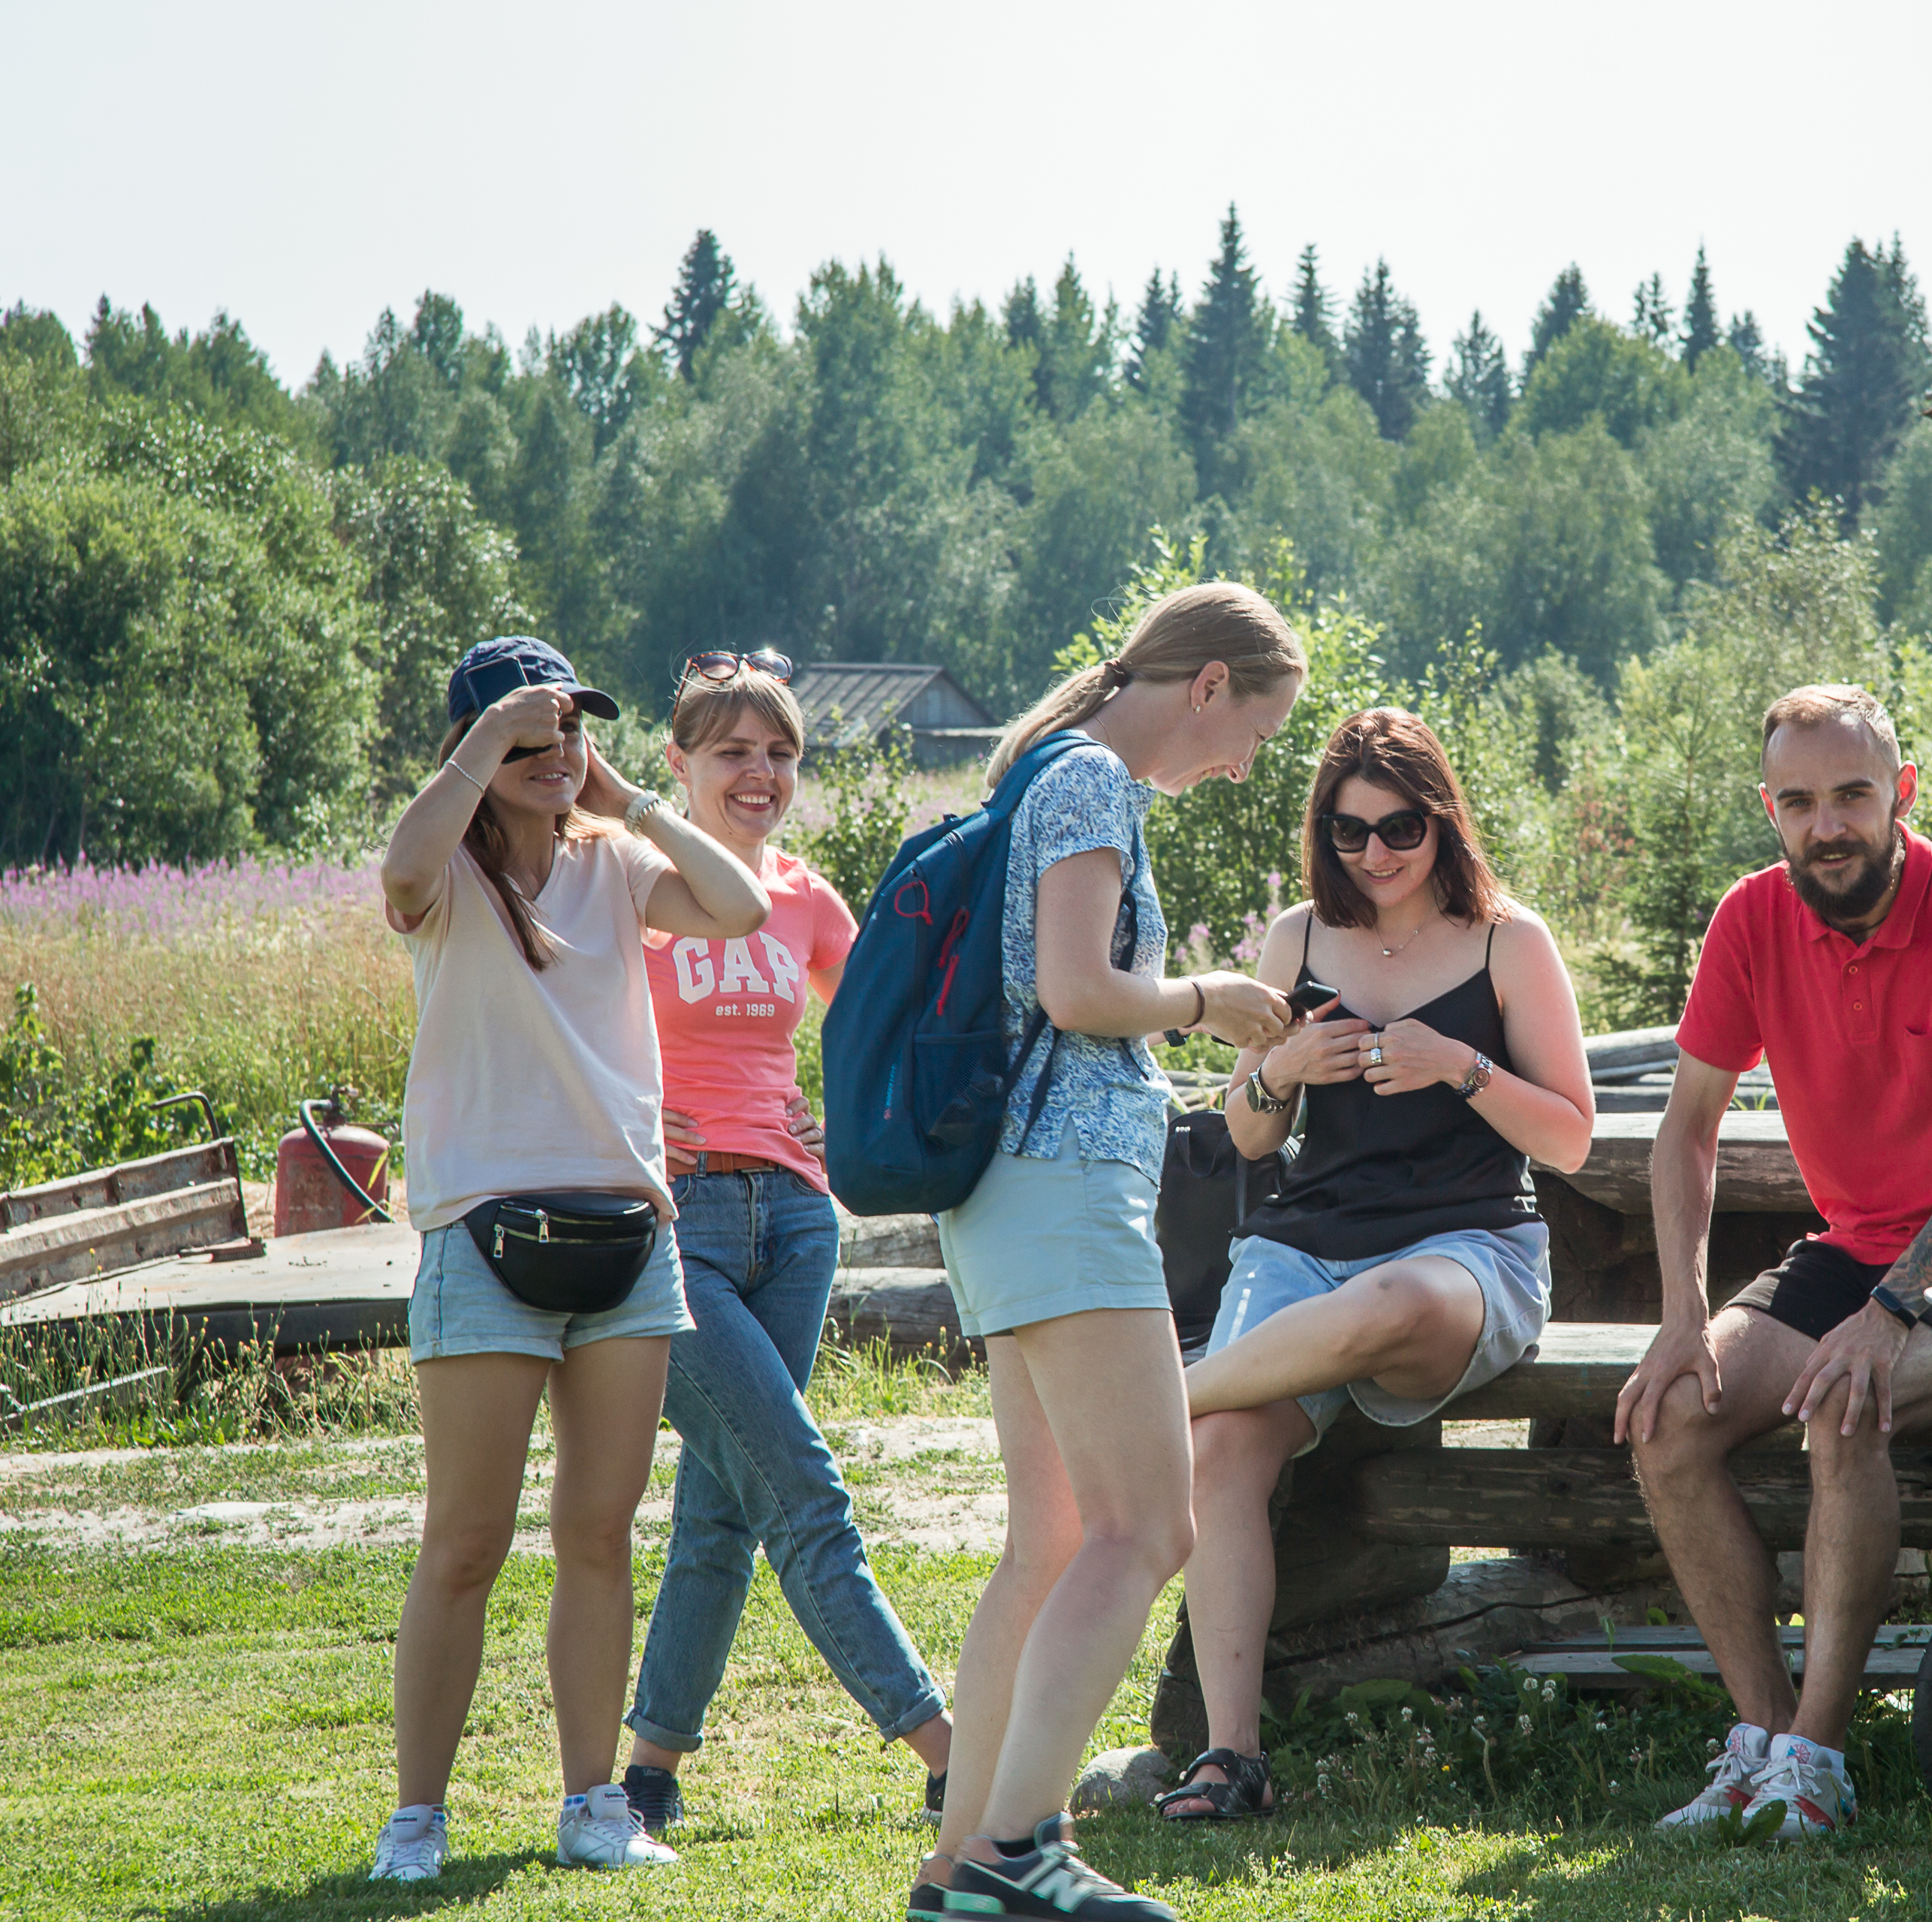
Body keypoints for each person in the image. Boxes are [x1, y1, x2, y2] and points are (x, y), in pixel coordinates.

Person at [1612, 683, 1932, 1841]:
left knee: (1845, 1396)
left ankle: (1822, 1762)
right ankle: (1765, 1740)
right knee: (1668, 1414)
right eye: (1798, 802)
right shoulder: (1749, 920)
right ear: (1769, 810)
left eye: (1851, 795)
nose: (1827, 824)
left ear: (1902, 795)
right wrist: (1682, 1313)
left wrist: (1891, 1313)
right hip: (1854, 1247)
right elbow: (1685, 1131)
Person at [907, 583, 1304, 1922]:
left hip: (1013, 1196)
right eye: (1255, 728)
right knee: (1151, 1524)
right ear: (1207, 686)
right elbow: (1078, 992)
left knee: (1053, 1541)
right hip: (1066, 1189)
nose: (1247, 761)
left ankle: (960, 1868)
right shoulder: (1092, 784)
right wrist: (1211, 1002)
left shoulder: (1044, 769)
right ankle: (1023, 1845)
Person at [369, 636, 772, 1881]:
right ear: (475, 750)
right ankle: (417, 1820)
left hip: (627, 1236)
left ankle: (595, 1805)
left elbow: (742, 905)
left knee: (600, 1533)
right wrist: (491, 743)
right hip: (482, 1228)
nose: (554, 755)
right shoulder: (448, 874)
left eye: (569, 731)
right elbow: (400, 870)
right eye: (526, 737)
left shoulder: (615, 865)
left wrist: (631, 796)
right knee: (467, 1539)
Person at [1157, 708, 1596, 1821]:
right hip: (1307, 1245)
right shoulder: (1299, 937)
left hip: (1466, 1250)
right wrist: (1285, 1068)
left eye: (1398, 827)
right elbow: (1251, 1139)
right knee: (1219, 1455)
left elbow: (1570, 1138)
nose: (1376, 855)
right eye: (1350, 834)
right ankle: (1231, 1755)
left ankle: (1148, 1405)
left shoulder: (1510, 942)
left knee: (1389, 1299)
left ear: (1440, 820)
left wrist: (1460, 1066)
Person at [611, 651, 957, 1836]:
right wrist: (617, 1109)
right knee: (803, 1488)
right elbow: (542, 1012)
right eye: (732, 753)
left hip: (800, 1222)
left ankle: (649, 1770)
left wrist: (843, 1110)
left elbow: (882, 1022)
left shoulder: (805, 895)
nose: (758, 775)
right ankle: (948, 1751)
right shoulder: (627, 877)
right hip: (676, 1221)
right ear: (679, 765)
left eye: (778, 754)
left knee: (726, 1501)